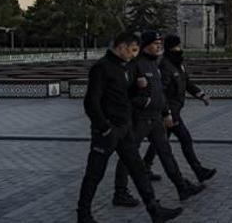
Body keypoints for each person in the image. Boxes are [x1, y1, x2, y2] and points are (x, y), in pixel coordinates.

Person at [76, 31, 182, 223]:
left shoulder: (129, 66)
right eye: (132, 50)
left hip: (125, 129)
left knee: (138, 169)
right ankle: (83, 215)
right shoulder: (102, 68)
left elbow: (127, 94)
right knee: (94, 173)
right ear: (121, 46)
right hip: (107, 131)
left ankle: (154, 210)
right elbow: (91, 102)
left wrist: (138, 87)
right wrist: (104, 127)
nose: (134, 54)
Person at [113, 31, 204, 207]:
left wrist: (166, 113)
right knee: (129, 155)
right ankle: (120, 193)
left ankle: (181, 187)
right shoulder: (134, 65)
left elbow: (160, 93)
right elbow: (124, 93)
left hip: (155, 119)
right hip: (139, 119)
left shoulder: (154, 64)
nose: (159, 47)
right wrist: (144, 102)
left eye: (160, 44)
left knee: (166, 153)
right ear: (146, 45)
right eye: (155, 44)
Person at [143, 35, 217, 182]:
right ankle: (198, 171)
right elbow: (161, 91)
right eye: (177, 46)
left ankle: (145, 167)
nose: (179, 49)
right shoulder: (165, 65)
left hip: (174, 110)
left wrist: (200, 94)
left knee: (159, 142)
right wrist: (167, 113)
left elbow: (187, 82)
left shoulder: (178, 64)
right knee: (186, 140)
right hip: (170, 111)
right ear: (171, 47)